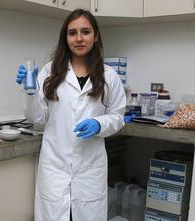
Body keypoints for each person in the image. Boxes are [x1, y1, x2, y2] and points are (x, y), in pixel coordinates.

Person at [16, 8, 126, 221]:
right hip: (55, 166)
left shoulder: (108, 75)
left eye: (85, 32)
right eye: (72, 33)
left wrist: (99, 123)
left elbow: (118, 116)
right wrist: (29, 91)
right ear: (65, 38)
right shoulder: (50, 71)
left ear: (96, 36)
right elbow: (37, 118)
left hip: (89, 167)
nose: (79, 38)